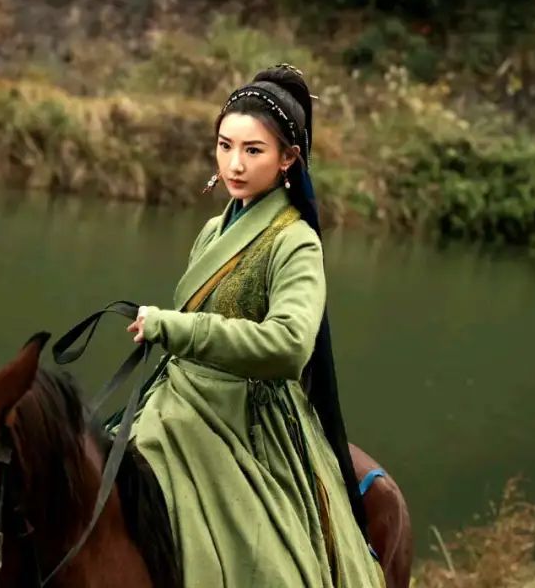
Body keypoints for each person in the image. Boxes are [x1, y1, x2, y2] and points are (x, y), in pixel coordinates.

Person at [125, 64, 384, 587]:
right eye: (225, 146)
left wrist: (175, 329)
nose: (234, 164)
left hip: (248, 418)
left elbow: (289, 347)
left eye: (253, 150)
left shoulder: (295, 241)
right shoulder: (212, 229)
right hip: (180, 395)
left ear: (288, 158)